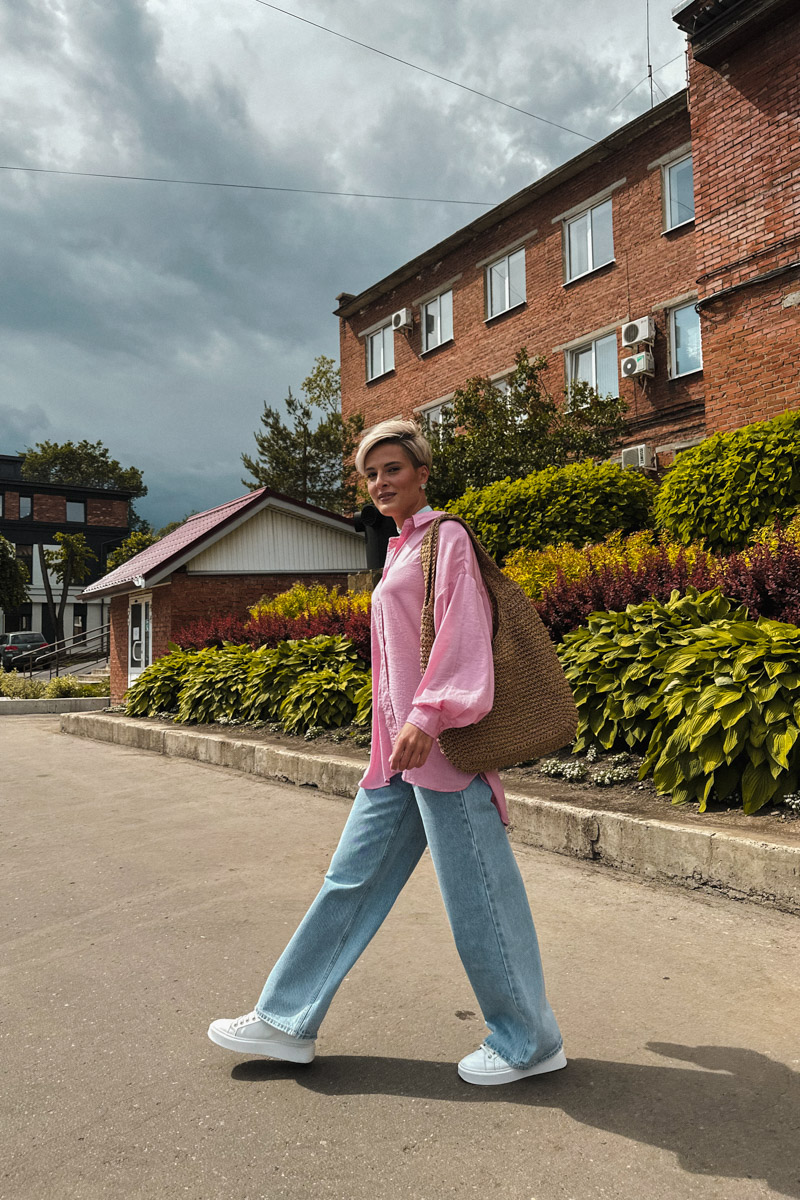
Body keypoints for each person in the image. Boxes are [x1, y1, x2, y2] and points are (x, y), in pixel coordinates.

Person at [208, 419, 564, 1086]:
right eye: (371, 474)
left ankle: (529, 1041)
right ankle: (287, 1020)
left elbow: (464, 633)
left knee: (479, 898)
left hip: (440, 753)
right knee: (348, 882)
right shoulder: (400, 551)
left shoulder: (445, 538)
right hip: (396, 761)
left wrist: (428, 715)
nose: (380, 483)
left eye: (392, 469)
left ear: (422, 473)